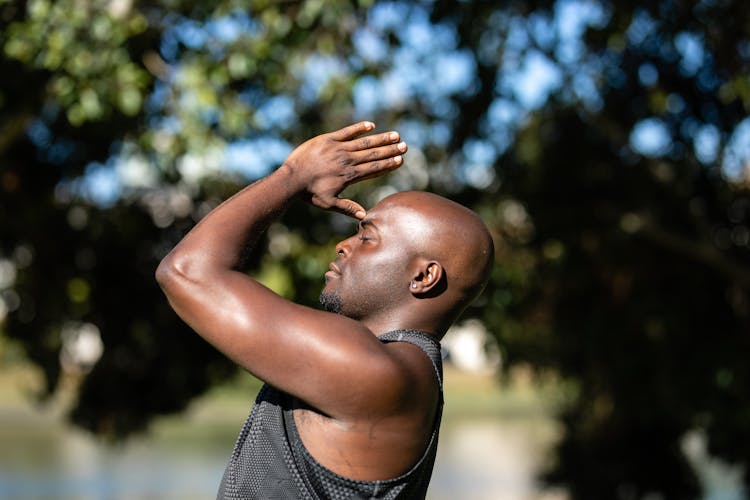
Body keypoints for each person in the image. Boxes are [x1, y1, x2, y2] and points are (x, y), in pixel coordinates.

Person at [156, 121, 494, 499]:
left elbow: (186, 273)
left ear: (424, 276)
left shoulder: (374, 369)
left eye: (367, 237)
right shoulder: (403, 368)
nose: (343, 245)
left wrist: (293, 175)